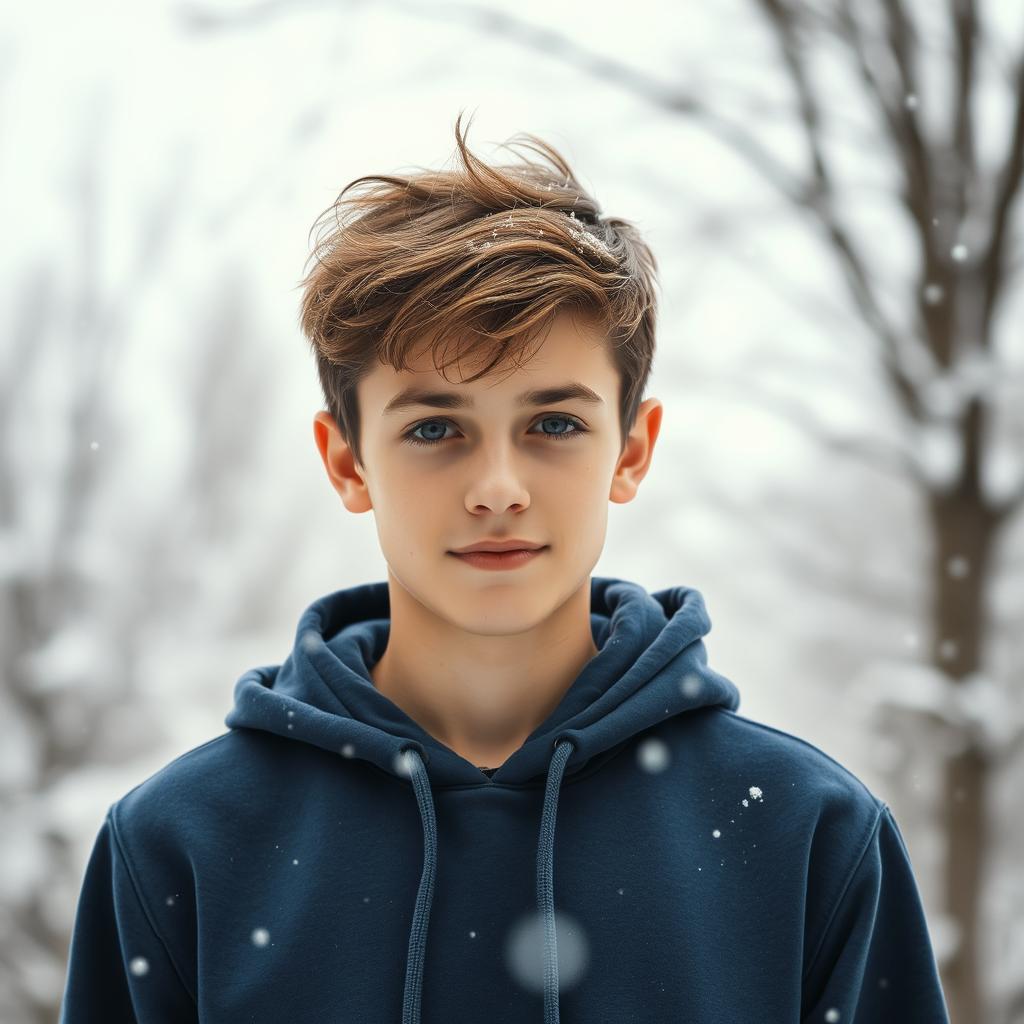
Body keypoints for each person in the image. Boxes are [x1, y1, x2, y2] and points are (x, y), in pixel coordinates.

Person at [58, 111, 951, 1023]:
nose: (497, 489)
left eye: (553, 424)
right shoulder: (181, 846)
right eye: (434, 429)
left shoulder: (807, 836)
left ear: (632, 451)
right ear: (347, 462)